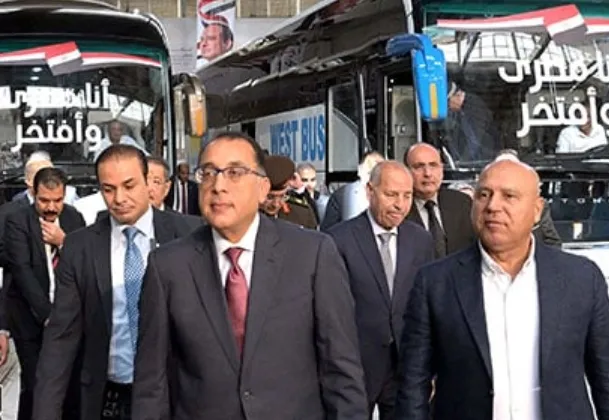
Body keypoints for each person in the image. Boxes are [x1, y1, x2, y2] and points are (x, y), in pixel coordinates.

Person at [132, 132, 368, 420]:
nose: (218, 186)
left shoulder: (312, 255)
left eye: (234, 173)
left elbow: (341, 371)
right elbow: (151, 385)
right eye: (208, 173)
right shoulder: (168, 266)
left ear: (262, 188)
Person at [394, 156, 609, 419]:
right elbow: (412, 386)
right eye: (483, 195)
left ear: (537, 210)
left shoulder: (581, 279)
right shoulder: (436, 282)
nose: (492, 206)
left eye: (509, 196)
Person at [32, 145, 196, 420]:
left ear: (148, 182)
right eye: (108, 189)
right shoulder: (80, 248)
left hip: (176, 397)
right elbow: (60, 339)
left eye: (129, 186)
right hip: (107, 397)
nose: (119, 198)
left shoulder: (189, 236)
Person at [327, 161, 434, 419]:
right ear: (369, 192)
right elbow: (330, 313)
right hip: (355, 368)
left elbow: (428, 305)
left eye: (407, 196)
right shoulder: (337, 241)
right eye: (391, 195)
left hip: (405, 367)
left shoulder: (421, 240)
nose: (400, 205)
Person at [5, 167, 86, 420]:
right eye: (44, 201)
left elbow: (85, 262)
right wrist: (49, 317)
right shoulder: (18, 221)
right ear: (33, 194)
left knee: (70, 387)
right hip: (31, 320)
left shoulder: (74, 219)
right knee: (36, 386)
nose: (51, 207)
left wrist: (64, 242)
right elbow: (22, 272)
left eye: (57, 200)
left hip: (68, 319)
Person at [404, 143, 475, 258]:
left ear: (442, 169)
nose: (428, 173)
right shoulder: (400, 208)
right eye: (419, 167)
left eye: (433, 165)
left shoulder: (462, 202)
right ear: (406, 171)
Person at [321, 151, 384, 230]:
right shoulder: (342, 195)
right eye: (369, 172)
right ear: (360, 170)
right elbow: (329, 229)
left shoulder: (390, 196)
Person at [260, 155, 318, 229]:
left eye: (282, 196)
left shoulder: (302, 214)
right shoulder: (248, 214)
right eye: (270, 197)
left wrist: (300, 188)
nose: (276, 204)